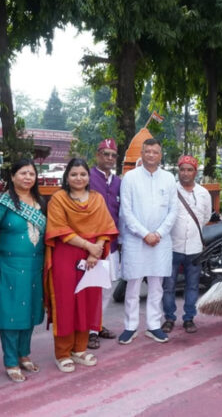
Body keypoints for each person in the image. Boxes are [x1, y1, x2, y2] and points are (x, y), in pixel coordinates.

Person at [44, 158, 118, 373]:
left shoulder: (97, 199)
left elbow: (106, 227)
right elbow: (59, 229)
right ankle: (63, 353)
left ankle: (80, 349)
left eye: (83, 174)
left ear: (88, 177)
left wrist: (97, 249)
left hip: (93, 257)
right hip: (66, 255)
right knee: (65, 302)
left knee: (88, 300)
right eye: (74, 174)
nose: (79, 178)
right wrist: (89, 246)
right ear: (67, 177)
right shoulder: (58, 199)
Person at [0, 159, 46, 382]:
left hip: (35, 265)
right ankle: (11, 360)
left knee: (30, 310)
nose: (27, 177)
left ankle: (24, 354)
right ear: (12, 177)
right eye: (22, 173)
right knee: (11, 312)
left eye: (31, 173)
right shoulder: (2, 203)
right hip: (9, 266)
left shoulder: (41, 202)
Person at [118, 138, 178, 344]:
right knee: (133, 285)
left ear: (160, 155)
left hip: (160, 241)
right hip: (136, 240)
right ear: (142, 154)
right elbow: (126, 211)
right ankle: (130, 326)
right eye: (148, 151)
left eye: (155, 152)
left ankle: (153, 325)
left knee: (156, 285)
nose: (151, 155)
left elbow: (173, 210)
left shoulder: (169, 178)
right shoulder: (130, 178)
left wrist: (158, 233)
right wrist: (144, 234)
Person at [161, 155, 212, 334]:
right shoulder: (171, 191)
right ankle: (169, 318)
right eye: (182, 169)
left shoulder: (203, 193)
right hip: (172, 247)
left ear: (195, 172)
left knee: (192, 285)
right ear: (178, 171)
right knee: (168, 286)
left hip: (195, 248)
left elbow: (206, 217)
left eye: (189, 170)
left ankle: (189, 318)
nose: (185, 173)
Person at [87, 139, 121, 348]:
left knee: (108, 287)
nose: (109, 158)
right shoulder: (87, 177)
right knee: (91, 288)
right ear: (97, 155)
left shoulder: (118, 182)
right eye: (105, 154)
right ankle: (88, 329)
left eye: (113, 155)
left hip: (113, 243)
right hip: (91, 244)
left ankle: (97, 325)